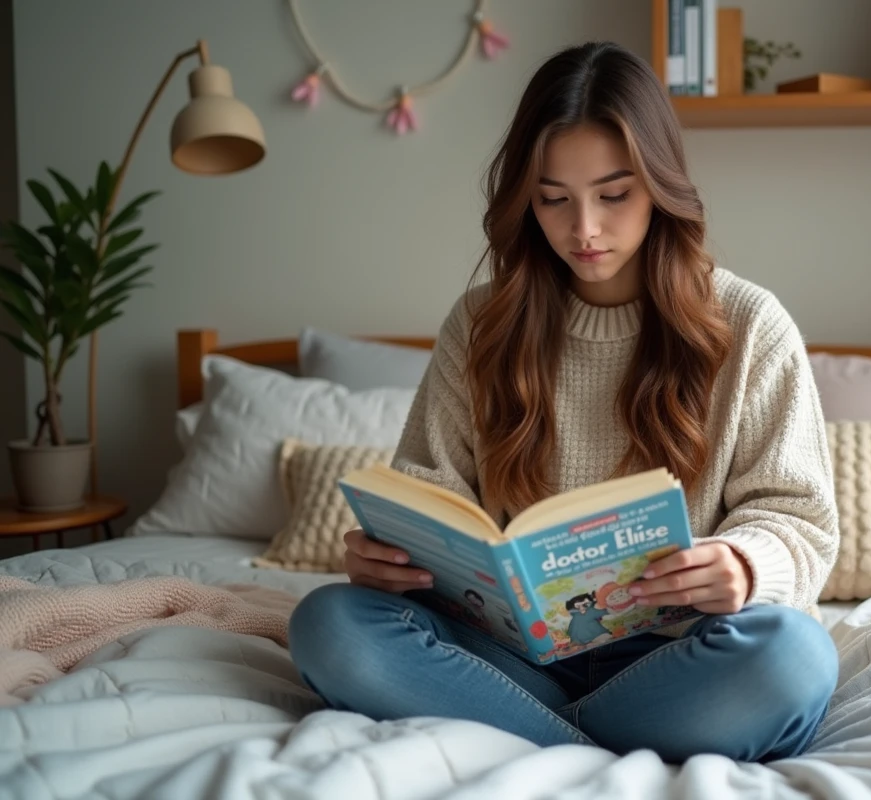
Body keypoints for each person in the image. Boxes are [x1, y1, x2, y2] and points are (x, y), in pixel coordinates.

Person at [288, 40, 841, 765]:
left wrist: (742, 564)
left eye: (614, 195)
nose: (583, 229)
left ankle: (519, 736)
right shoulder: (481, 324)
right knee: (329, 623)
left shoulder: (749, 325)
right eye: (554, 199)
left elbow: (798, 516)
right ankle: (596, 745)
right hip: (505, 656)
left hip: (677, 658)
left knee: (792, 657)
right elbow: (430, 493)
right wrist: (391, 558)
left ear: (660, 186)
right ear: (526, 197)